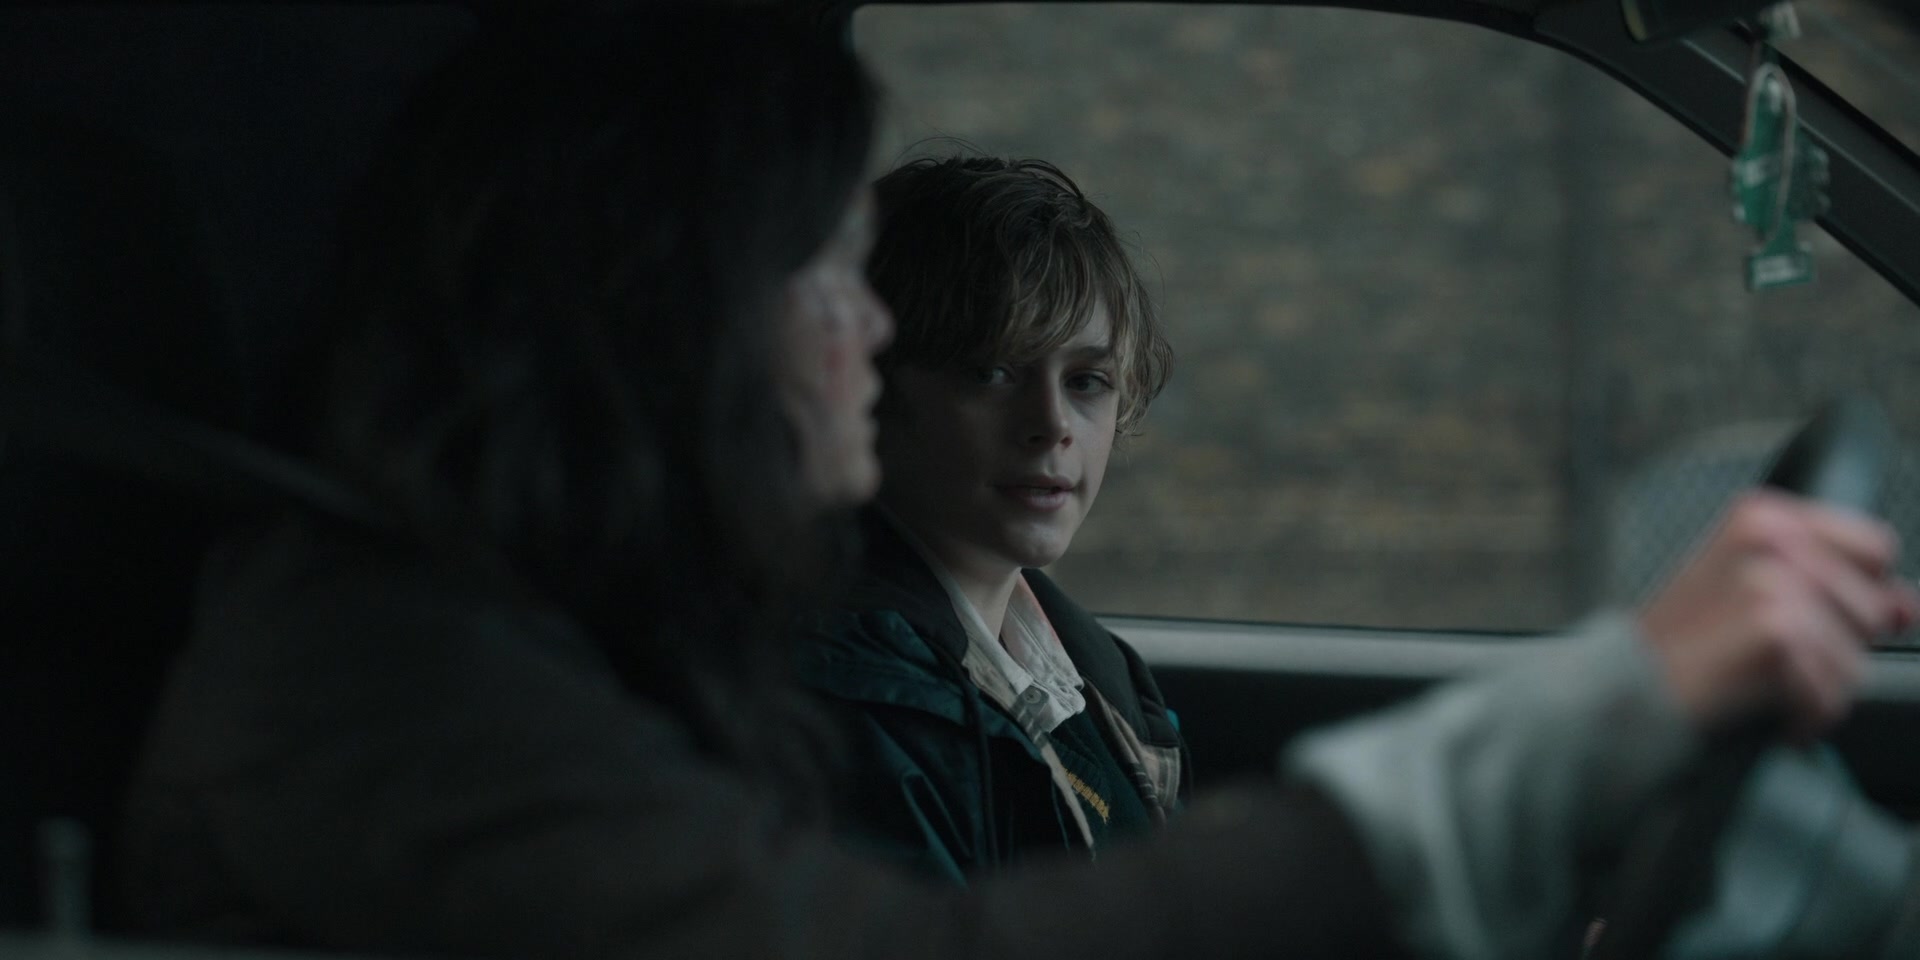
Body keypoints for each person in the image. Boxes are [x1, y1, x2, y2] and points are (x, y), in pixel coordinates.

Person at [120, 6, 1920, 960]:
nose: (865, 329)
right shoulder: (375, 668)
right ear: (668, 305)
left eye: (1086, 381)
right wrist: (1595, 719)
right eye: (828, 271)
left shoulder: (602, 636)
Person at [794, 156, 1186, 880]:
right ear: (869, 384)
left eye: (1088, 381)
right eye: (992, 372)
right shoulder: (851, 707)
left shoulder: (1101, 680)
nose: (1052, 424)